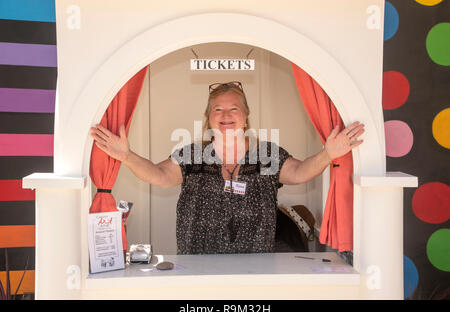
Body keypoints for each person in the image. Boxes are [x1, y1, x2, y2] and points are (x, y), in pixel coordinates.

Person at [90, 81, 364, 254]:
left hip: (255, 267)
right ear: (208, 118)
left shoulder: (266, 153)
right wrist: (126, 156)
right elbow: (160, 176)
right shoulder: (193, 153)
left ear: (245, 116)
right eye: (217, 110)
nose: (226, 115)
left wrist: (329, 154)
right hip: (199, 266)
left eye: (233, 109)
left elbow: (301, 172)